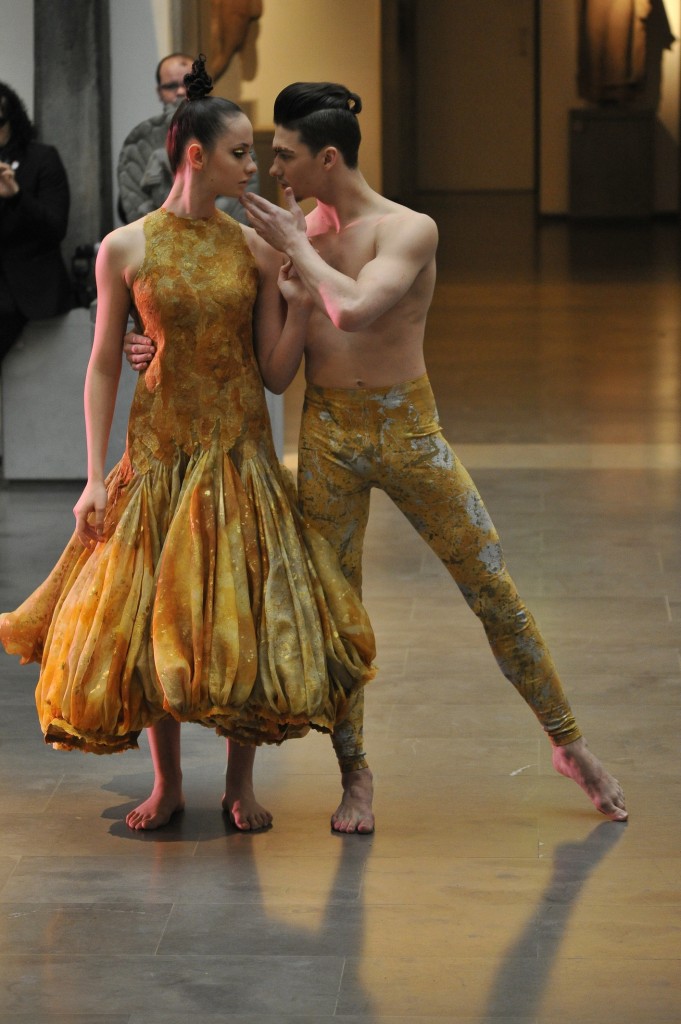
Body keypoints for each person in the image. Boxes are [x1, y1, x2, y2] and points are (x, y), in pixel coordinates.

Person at [126, 80, 628, 833]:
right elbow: (255, 356)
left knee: (492, 588)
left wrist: (297, 248)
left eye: (285, 155)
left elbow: (355, 307)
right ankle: (354, 774)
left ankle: (569, 743)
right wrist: (148, 346)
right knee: (338, 613)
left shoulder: (408, 230)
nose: (272, 170)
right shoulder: (282, 238)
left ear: (327, 158)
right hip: (328, 433)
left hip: (408, 429)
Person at [0, 59, 375, 834]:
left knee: (241, 618)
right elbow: (104, 362)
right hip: (159, 453)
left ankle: (239, 785)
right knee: (153, 621)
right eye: (241, 153)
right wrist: (93, 475)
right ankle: (167, 783)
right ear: (196, 156)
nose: (255, 166)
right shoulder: (124, 247)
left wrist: (299, 306)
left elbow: (275, 374)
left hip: (238, 455)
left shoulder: (254, 248)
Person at [117, 51, 258, 225]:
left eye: (188, 84)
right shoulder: (142, 140)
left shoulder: (231, 132)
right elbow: (138, 209)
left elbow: (242, 203)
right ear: (159, 92)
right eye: (171, 86)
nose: (181, 92)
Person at [0, 81, 73, 359]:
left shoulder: (41, 158)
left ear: (11, 120)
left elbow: (55, 227)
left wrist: (17, 196)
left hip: (29, 292)